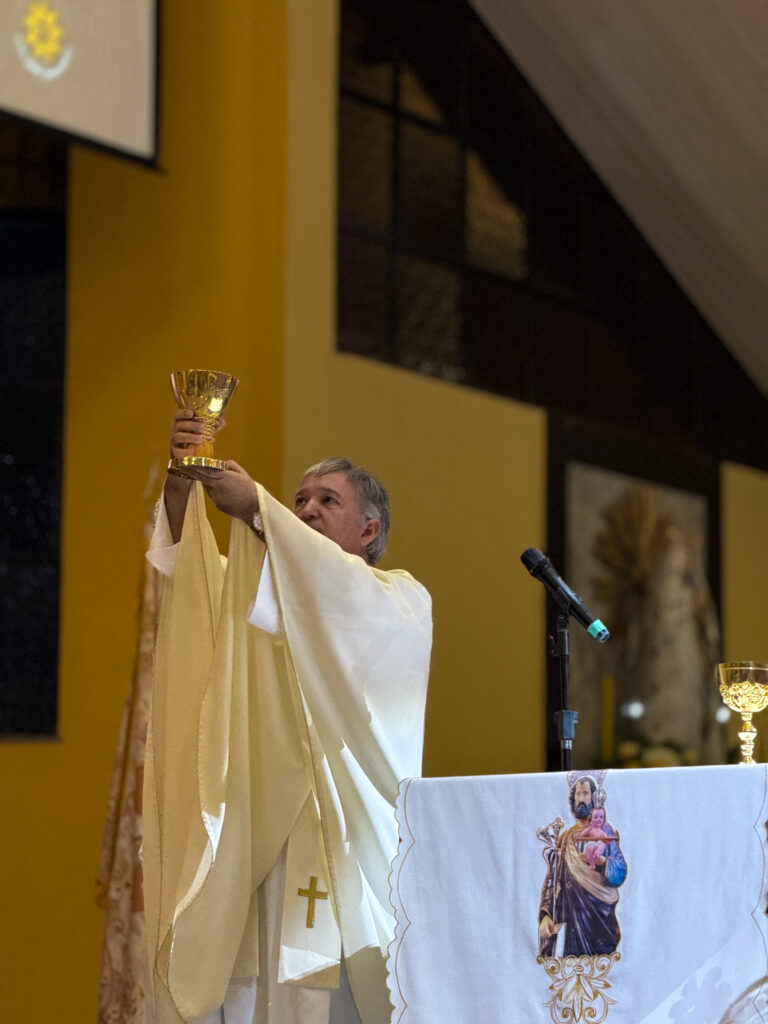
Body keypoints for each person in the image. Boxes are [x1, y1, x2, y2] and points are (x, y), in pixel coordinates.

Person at [142, 410, 433, 1024]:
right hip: (259, 847)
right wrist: (181, 482)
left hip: (346, 854)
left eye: (328, 500)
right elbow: (192, 579)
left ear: (369, 530)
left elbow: (339, 598)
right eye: (298, 500)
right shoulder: (258, 594)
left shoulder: (400, 600)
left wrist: (257, 508)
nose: (305, 510)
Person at [538, 774, 627, 958]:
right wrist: (546, 914)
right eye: (578, 794)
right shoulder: (564, 838)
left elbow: (620, 870)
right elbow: (552, 878)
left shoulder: (605, 832)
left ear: (593, 798)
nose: (581, 798)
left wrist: (603, 863)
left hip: (598, 917)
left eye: (585, 793)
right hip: (568, 917)